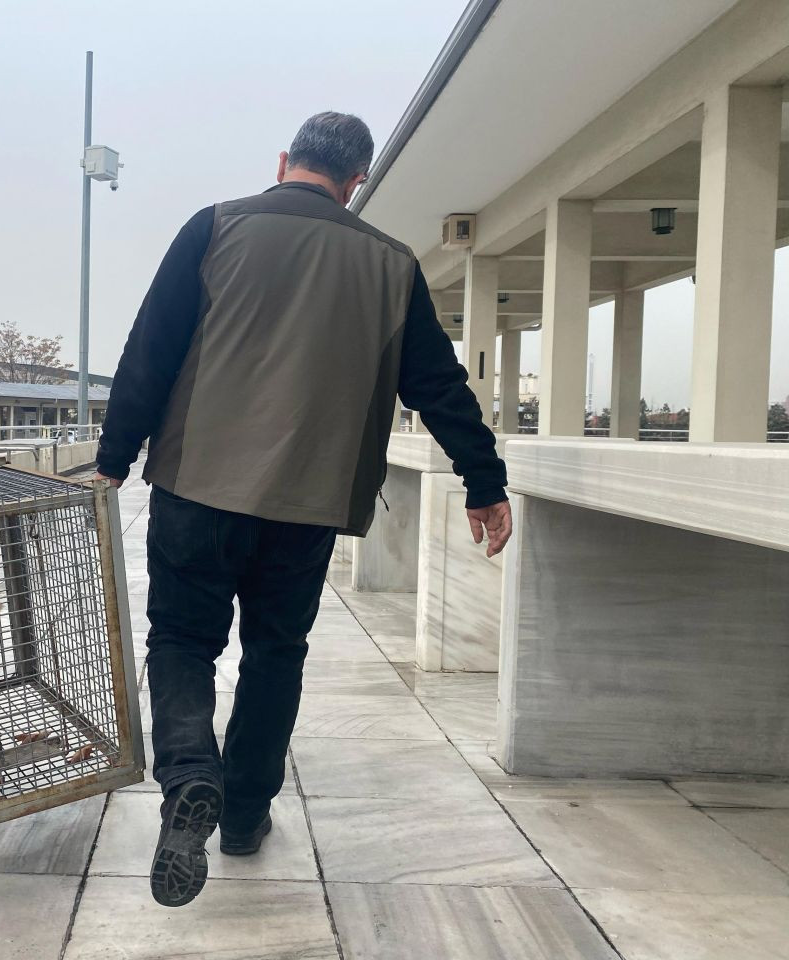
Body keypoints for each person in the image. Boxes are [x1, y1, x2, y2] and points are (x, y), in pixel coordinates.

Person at [95, 112, 512, 907]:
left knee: (182, 640)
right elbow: (438, 385)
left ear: (284, 160)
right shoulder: (392, 264)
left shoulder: (213, 227)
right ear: (356, 182)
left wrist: (114, 459)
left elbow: (151, 349)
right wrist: (484, 482)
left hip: (197, 486)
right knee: (275, 653)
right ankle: (245, 816)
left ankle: (189, 777)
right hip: (308, 503)